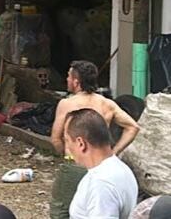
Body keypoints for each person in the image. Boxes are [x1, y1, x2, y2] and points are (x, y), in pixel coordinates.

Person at [49, 60, 141, 219]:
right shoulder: (107, 104)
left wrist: (67, 155)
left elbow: (55, 138)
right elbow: (133, 127)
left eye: (69, 77)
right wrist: (115, 151)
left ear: (76, 82)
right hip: (103, 160)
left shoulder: (67, 104)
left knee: (60, 210)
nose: (67, 80)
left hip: (76, 164)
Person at [65, 108, 138, 219]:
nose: (68, 147)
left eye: (67, 140)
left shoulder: (100, 184)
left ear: (81, 143)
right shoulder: (121, 168)